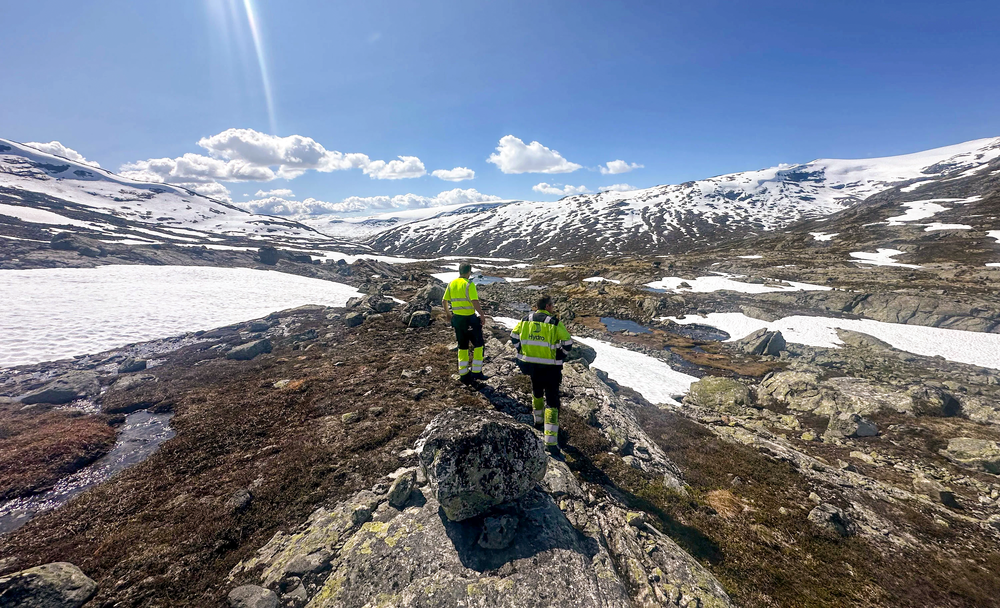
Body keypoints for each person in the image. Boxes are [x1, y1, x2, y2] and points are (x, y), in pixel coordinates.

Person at [510, 295, 574, 452]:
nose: (553, 308)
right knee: (552, 400)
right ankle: (551, 442)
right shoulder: (553, 323)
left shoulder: (526, 319)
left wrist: (521, 349)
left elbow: (513, 336)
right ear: (547, 307)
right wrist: (560, 355)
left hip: (530, 364)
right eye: (552, 305)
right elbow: (567, 342)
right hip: (550, 366)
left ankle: (538, 421)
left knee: (536, 391)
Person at [441, 263, 488, 383]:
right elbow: (474, 301)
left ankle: (464, 374)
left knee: (462, 346)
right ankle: (476, 372)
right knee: (479, 344)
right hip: (470, 319)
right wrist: (481, 314)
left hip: (457, 319)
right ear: (469, 272)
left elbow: (444, 300)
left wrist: (448, 314)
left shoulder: (452, 283)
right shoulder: (469, 284)